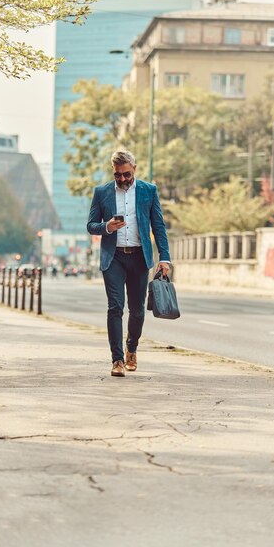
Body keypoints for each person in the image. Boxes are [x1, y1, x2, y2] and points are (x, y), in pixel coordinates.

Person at [87, 149, 170, 377]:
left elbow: (158, 226)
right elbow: (91, 224)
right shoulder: (101, 192)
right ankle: (117, 360)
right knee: (115, 307)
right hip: (113, 257)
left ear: (134, 169)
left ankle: (131, 348)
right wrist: (106, 227)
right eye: (117, 175)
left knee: (137, 311)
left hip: (139, 257)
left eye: (126, 174)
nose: (122, 179)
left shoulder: (148, 191)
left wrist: (164, 258)